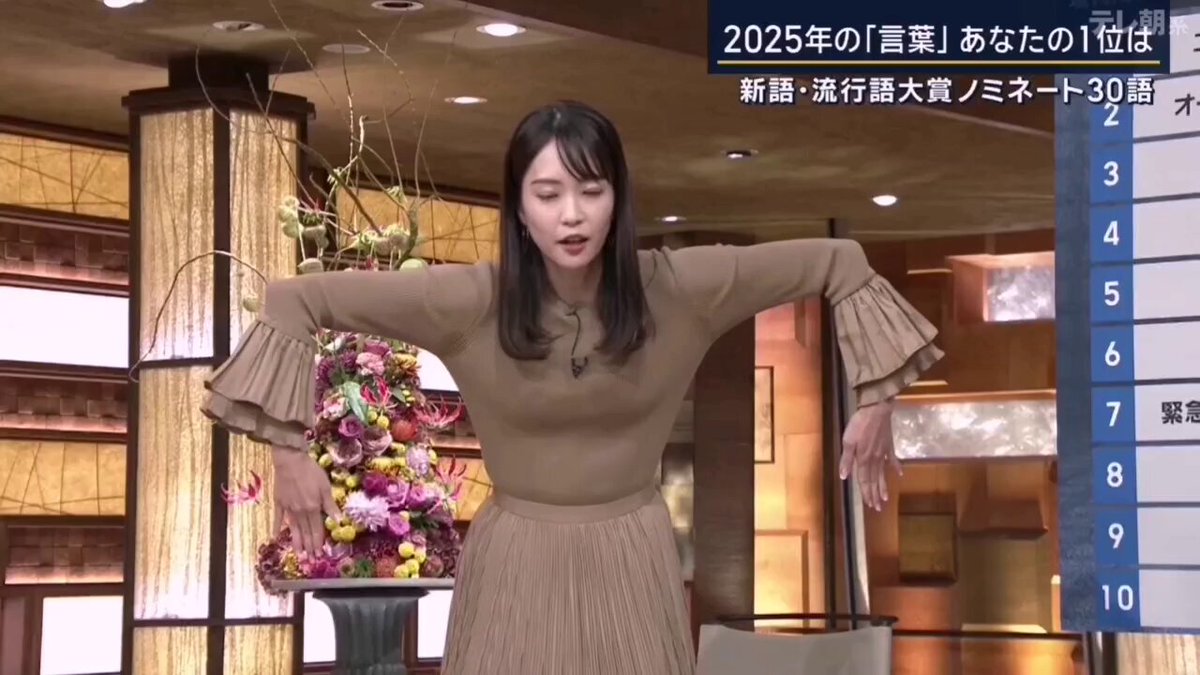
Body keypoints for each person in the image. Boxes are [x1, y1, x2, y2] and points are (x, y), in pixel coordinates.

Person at [201, 99, 943, 674]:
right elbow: (294, 300)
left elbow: (841, 262)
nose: (571, 214)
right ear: (520, 208)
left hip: (633, 554)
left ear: (618, 198)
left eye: (591, 190)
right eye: (548, 193)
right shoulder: (471, 299)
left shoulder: (682, 287)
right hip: (514, 560)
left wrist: (876, 402)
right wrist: (289, 453)